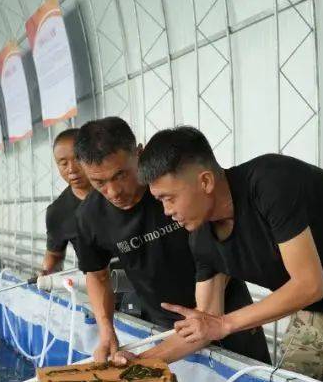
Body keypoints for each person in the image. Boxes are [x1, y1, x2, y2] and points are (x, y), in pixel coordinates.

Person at [135, 126, 323, 382]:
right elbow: (205, 323)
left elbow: (308, 285)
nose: (167, 212)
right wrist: (141, 363)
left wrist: (224, 324)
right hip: (315, 310)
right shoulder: (201, 240)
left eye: (169, 198)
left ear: (205, 181)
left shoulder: (270, 183)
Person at [72, 117, 271, 365]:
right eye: (99, 182)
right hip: (167, 327)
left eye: (121, 175)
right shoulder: (89, 217)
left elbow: (225, 230)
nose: (113, 192)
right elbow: (97, 274)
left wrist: (212, 315)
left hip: (229, 312)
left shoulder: (183, 186)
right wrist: (106, 329)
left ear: (139, 154)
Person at [40, 128, 90, 276]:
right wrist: (47, 272)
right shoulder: (58, 212)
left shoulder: (116, 191)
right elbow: (54, 255)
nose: (72, 169)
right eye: (63, 163)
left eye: (78, 159)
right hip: (103, 288)